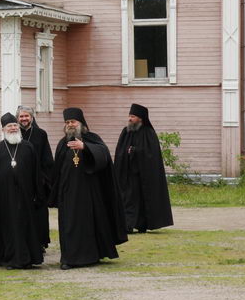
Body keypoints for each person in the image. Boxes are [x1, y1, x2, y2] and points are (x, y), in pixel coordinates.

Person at [51, 107, 128, 270]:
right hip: (68, 194)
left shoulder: (92, 139)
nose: (70, 125)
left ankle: (91, 256)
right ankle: (69, 258)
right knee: (69, 226)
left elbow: (104, 155)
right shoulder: (62, 143)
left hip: (89, 193)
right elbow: (57, 170)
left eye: (73, 121)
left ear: (81, 123)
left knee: (89, 225)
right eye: (67, 122)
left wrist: (84, 147)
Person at [0, 113, 44, 269]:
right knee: (9, 229)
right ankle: (11, 259)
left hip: (26, 196)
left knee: (26, 226)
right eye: (9, 126)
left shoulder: (28, 147)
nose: (13, 128)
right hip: (5, 197)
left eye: (15, 125)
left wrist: (39, 195)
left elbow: (36, 173)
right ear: (3, 129)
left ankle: (28, 259)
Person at [113, 103, 174, 233]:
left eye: (133, 116)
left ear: (141, 118)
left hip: (142, 176)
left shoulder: (149, 133)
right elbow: (119, 152)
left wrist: (135, 151)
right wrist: (126, 153)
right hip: (126, 174)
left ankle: (141, 224)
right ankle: (127, 225)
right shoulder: (125, 132)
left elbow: (151, 155)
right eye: (129, 116)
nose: (130, 118)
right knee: (127, 200)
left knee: (140, 201)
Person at [18, 105, 54, 249]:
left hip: (38, 182)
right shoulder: (14, 133)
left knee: (38, 215)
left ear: (32, 117)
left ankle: (40, 243)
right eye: (21, 116)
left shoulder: (40, 134)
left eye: (26, 116)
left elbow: (47, 159)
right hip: (20, 181)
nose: (24, 119)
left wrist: (44, 179)